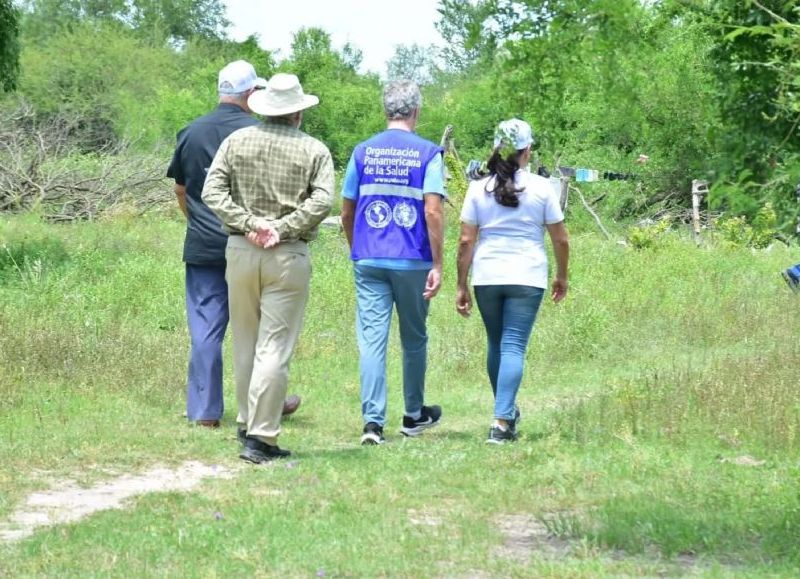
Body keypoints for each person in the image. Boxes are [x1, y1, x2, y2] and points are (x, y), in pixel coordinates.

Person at [202, 72, 334, 463]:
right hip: (287, 254)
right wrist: (281, 227)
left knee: (245, 340)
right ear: (297, 113)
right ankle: (261, 437)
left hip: (241, 249)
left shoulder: (236, 140)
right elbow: (322, 202)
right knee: (274, 346)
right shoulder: (315, 150)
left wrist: (249, 224)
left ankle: (246, 420)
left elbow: (212, 191)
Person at [167, 60, 302, 429]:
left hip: (203, 245)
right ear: (251, 94)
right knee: (259, 330)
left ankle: (205, 411)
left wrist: (197, 222)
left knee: (206, 330)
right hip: (251, 245)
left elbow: (181, 189)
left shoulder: (190, 132)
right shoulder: (256, 132)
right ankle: (265, 404)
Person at [340, 80, 446, 445]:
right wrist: (438, 263)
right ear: (416, 111)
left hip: (368, 256)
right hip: (413, 258)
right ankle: (413, 414)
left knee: (372, 340)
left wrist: (358, 247)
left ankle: (372, 423)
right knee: (414, 337)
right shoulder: (430, 153)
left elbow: (346, 209)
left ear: (385, 111)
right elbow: (432, 209)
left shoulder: (362, 152)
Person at [455, 118, 570, 444]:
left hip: (488, 276)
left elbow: (466, 241)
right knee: (513, 345)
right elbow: (561, 239)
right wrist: (562, 275)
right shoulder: (541, 188)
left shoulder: (478, 188)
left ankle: (505, 412)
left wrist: (461, 284)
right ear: (527, 149)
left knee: (497, 344)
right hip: (527, 276)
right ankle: (502, 420)